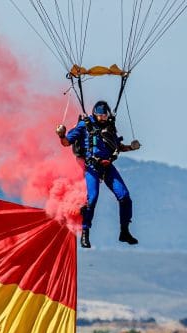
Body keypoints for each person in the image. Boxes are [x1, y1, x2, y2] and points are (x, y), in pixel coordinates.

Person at [56, 100, 140, 249]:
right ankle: (85, 233)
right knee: (92, 198)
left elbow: (117, 146)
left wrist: (131, 147)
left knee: (125, 196)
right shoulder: (84, 126)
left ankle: (124, 231)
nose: (103, 118)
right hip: (92, 167)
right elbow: (66, 143)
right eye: (101, 116)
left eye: (105, 116)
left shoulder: (110, 126)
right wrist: (61, 135)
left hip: (108, 167)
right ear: (95, 114)